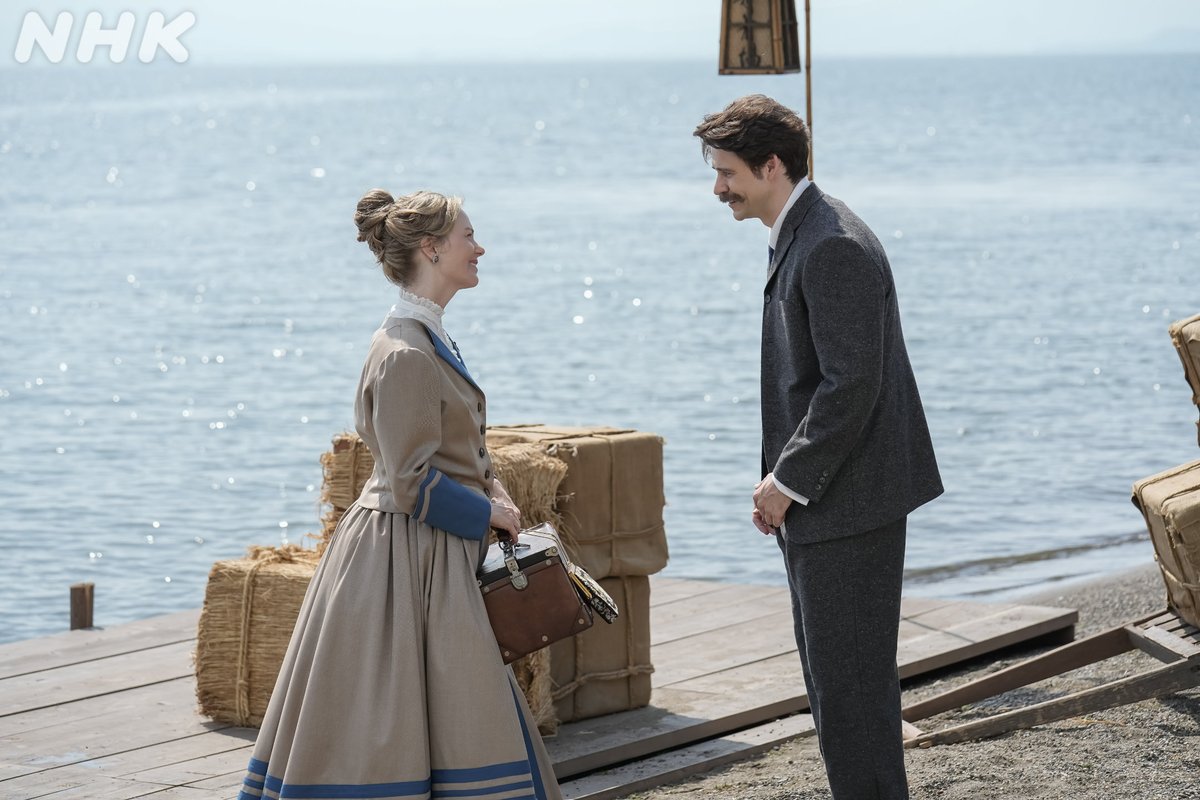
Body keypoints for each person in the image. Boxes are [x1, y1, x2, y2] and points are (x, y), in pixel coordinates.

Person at [236, 189, 563, 800]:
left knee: (450, 707)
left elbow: (452, 447)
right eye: (468, 236)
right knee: (405, 714)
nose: (480, 247)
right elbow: (409, 480)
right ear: (431, 248)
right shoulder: (407, 352)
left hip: (427, 550)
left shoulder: (426, 336)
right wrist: (486, 511)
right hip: (406, 558)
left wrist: (493, 487)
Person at [693, 95, 943, 800]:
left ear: (772, 165)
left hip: (848, 505)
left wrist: (786, 481)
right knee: (840, 691)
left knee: (851, 695)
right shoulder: (802, 232)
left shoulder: (831, 244)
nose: (718, 188)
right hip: (830, 504)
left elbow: (851, 384)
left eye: (727, 172)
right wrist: (785, 484)